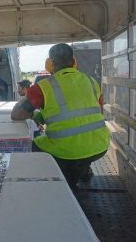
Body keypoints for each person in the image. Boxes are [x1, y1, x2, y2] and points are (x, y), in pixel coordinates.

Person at [11, 43, 110, 191]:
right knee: (81, 151)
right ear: (74, 62)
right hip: (100, 145)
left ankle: (55, 184)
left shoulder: (43, 87)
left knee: (32, 145)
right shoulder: (91, 81)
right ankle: (84, 170)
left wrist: (29, 107)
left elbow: (17, 115)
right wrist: (43, 116)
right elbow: (87, 112)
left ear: (50, 63)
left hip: (66, 151)